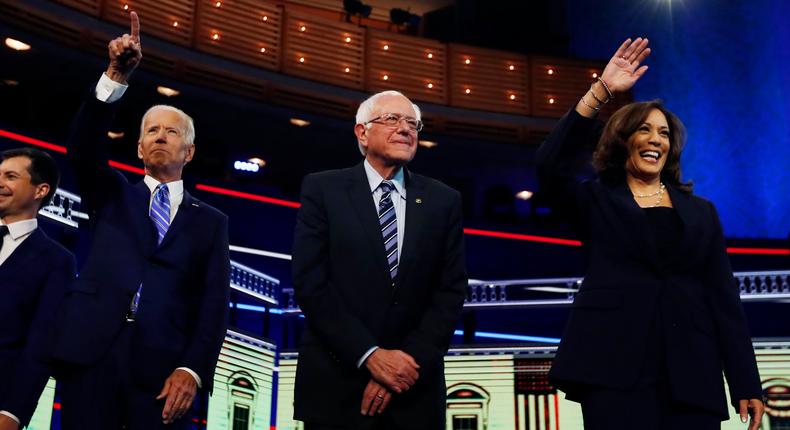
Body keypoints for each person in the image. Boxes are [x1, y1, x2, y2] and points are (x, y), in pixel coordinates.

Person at [537, 37, 765, 429]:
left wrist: (746, 381)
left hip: (692, 373)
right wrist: (601, 91)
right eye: (644, 129)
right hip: (613, 370)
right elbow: (548, 167)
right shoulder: (596, 200)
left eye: (663, 133)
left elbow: (723, 299)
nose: (656, 139)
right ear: (624, 140)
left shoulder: (701, 213)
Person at [49, 12, 231, 429]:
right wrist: (116, 74)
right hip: (92, 355)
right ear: (138, 148)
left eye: (171, 132)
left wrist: (192, 369)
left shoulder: (211, 222)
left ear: (189, 152)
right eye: (151, 131)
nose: (160, 137)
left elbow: (213, 304)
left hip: (165, 371)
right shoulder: (111, 192)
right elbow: (81, 147)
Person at [291, 90, 468, 429]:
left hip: (413, 389)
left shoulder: (444, 201)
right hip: (336, 387)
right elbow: (311, 282)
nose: (406, 129)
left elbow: (451, 290)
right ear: (362, 132)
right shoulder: (322, 190)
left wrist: (404, 365)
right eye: (392, 119)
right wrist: (370, 355)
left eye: (412, 123)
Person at [0, 148, 75, 430]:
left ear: (40, 190)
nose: (0, 182)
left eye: (10, 176)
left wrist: (13, 412)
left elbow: (40, 344)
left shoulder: (57, 261)